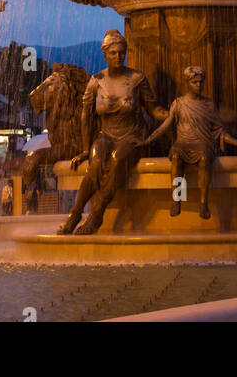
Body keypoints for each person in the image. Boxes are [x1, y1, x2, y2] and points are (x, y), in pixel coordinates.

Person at [59, 29, 167, 236]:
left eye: (122, 53)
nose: (118, 57)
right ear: (105, 54)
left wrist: (173, 115)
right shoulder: (96, 80)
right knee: (97, 161)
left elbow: (153, 109)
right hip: (105, 136)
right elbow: (86, 116)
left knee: (117, 160)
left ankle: (96, 214)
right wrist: (85, 148)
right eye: (114, 53)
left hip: (132, 136)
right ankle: (74, 214)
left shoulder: (137, 79)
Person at [140, 64, 237, 220]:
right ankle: (178, 198)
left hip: (203, 143)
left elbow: (220, 131)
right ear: (187, 83)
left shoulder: (209, 105)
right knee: (176, 157)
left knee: (205, 158)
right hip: (183, 143)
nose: (199, 85)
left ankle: (203, 201)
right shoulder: (179, 103)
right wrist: (149, 139)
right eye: (195, 82)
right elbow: (166, 126)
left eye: (201, 82)